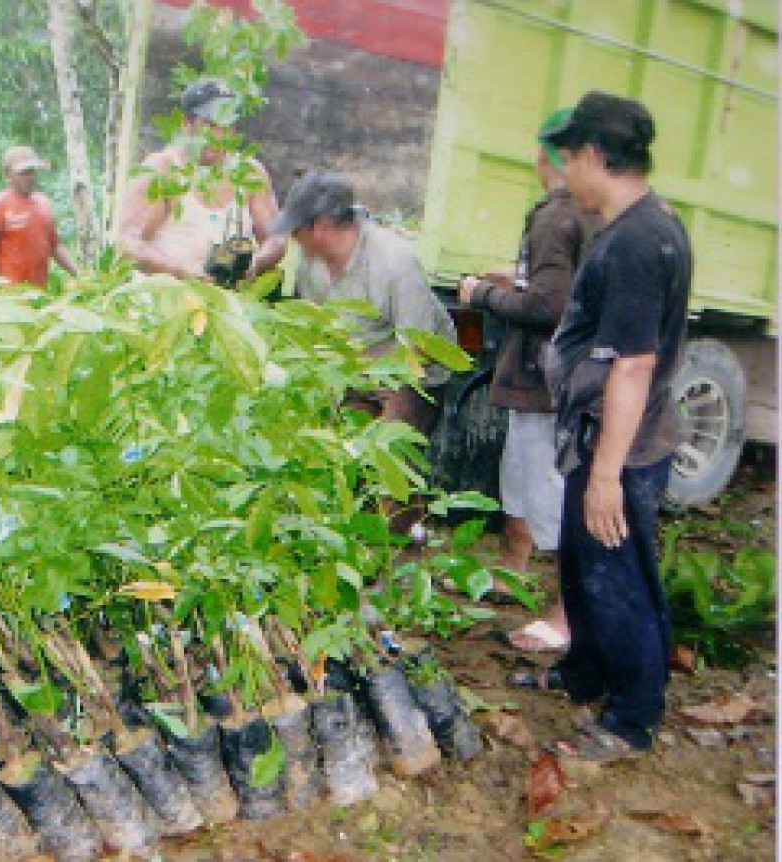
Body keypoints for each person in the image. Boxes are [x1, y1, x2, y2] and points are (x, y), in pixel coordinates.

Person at [510, 91, 692, 763]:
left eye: (568, 159)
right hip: (598, 436)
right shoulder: (629, 226)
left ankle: (632, 717)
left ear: (591, 156)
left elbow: (634, 367)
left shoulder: (643, 241)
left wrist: (608, 474)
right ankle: (585, 674)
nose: (563, 173)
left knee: (619, 577)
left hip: (624, 444)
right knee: (587, 571)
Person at [458, 109, 595, 653]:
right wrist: (514, 280)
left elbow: (549, 307)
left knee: (548, 490)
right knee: (520, 474)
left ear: (545, 156)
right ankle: (512, 567)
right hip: (547, 374)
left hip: (545, 377)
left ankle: (565, 615)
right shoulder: (580, 214)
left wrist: (482, 295)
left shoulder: (555, 216)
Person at [269, 170, 458, 435]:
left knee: (383, 453)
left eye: (297, 231)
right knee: (330, 446)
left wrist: (369, 384)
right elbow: (315, 332)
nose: (293, 239)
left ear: (322, 227)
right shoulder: (308, 264)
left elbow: (419, 348)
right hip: (354, 372)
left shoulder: (395, 261)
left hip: (413, 376)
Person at [117, 78, 286, 282]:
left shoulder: (250, 172)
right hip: (165, 297)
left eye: (227, 126)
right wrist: (182, 272)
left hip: (228, 300)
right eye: (210, 124)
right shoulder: (160, 170)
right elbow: (127, 242)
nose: (218, 135)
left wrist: (255, 263)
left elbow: (276, 238)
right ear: (186, 125)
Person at [0, 145, 77, 286]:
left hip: (39, 292)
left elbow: (55, 246)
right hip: (9, 293)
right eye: (23, 173)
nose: (29, 177)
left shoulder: (44, 203)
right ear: (7, 176)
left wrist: (78, 273)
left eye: (31, 171)